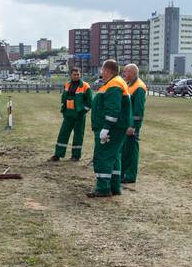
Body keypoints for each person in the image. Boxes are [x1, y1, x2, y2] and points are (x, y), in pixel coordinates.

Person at [88, 59, 131, 198]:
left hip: (111, 128)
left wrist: (106, 128)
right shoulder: (115, 83)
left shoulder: (114, 84)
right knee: (114, 156)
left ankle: (103, 187)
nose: (101, 73)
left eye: (102, 70)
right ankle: (114, 186)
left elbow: (113, 109)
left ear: (107, 70)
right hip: (116, 128)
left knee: (103, 155)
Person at [52, 67, 91, 162]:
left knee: (78, 135)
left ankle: (76, 156)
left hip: (79, 116)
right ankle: (58, 154)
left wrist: (82, 112)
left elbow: (89, 103)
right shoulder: (67, 85)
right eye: (74, 74)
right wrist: (64, 110)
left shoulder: (85, 86)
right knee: (63, 134)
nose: (77, 76)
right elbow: (63, 99)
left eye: (78, 74)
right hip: (68, 115)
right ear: (71, 75)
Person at [121, 63, 147, 184]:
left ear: (132, 73)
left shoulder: (139, 87)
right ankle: (123, 173)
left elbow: (138, 110)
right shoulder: (129, 84)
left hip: (132, 126)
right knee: (125, 149)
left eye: (126, 72)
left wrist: (134, 126)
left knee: (131, 150)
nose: (124, 74)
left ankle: (130, 175)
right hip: (126, 123)